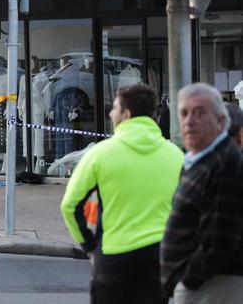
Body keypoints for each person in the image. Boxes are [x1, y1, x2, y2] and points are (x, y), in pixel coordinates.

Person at [60, 83, 184, 304]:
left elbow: (70, 205)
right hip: (160, 256)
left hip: (114, 253)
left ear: (126, 114)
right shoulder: (175, 155)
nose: (110, 113)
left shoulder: (100, 153)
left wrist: (89, 247)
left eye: (114, 108)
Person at [161, 83, 243, 303]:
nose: (189, 121)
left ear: (219, 121)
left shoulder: (224, 163)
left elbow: (218, 242)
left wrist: (186, 281)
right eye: (184, 113)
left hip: (212, 287)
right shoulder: (199, 160)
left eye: (199, 112)